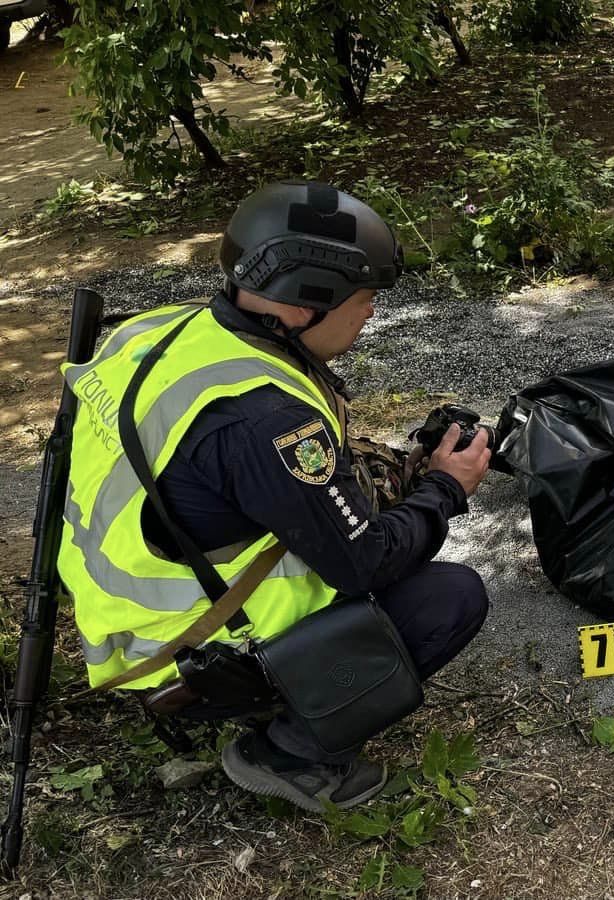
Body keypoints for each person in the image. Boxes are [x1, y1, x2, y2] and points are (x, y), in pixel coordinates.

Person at [60, 181, 493, 813]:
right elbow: (365, 561)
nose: (371, 312)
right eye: (365, 297)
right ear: (305, 303)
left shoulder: (160, 330)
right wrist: (447, 488)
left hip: (116, 618)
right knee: (448, 598)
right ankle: (288, 752)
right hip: (190, 654)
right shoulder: (266, 422)